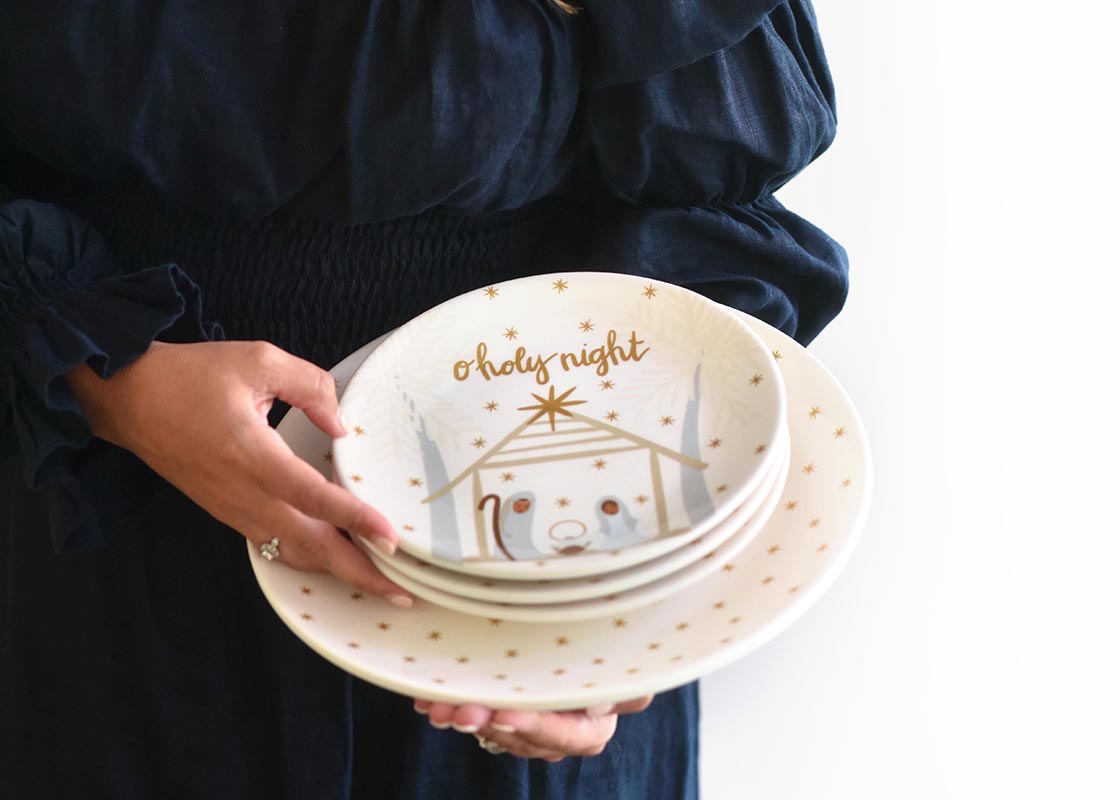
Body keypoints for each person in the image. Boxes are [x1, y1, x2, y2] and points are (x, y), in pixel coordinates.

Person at [0, 1, 848, 797]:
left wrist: (632, 590)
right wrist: (109, 379)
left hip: (552, 553)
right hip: (113, 515)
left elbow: (715, 167)